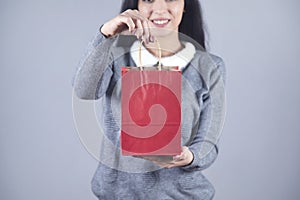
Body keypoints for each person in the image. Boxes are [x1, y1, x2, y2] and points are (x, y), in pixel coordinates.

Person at [73, 0, 226, 199]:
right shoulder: (116, 54)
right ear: (136, 5)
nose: (160, 9)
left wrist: (189, 156)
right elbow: (84, 90)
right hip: (116, 195)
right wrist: (105, 35)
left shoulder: (210, 67)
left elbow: (208, 144)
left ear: (185, 4)